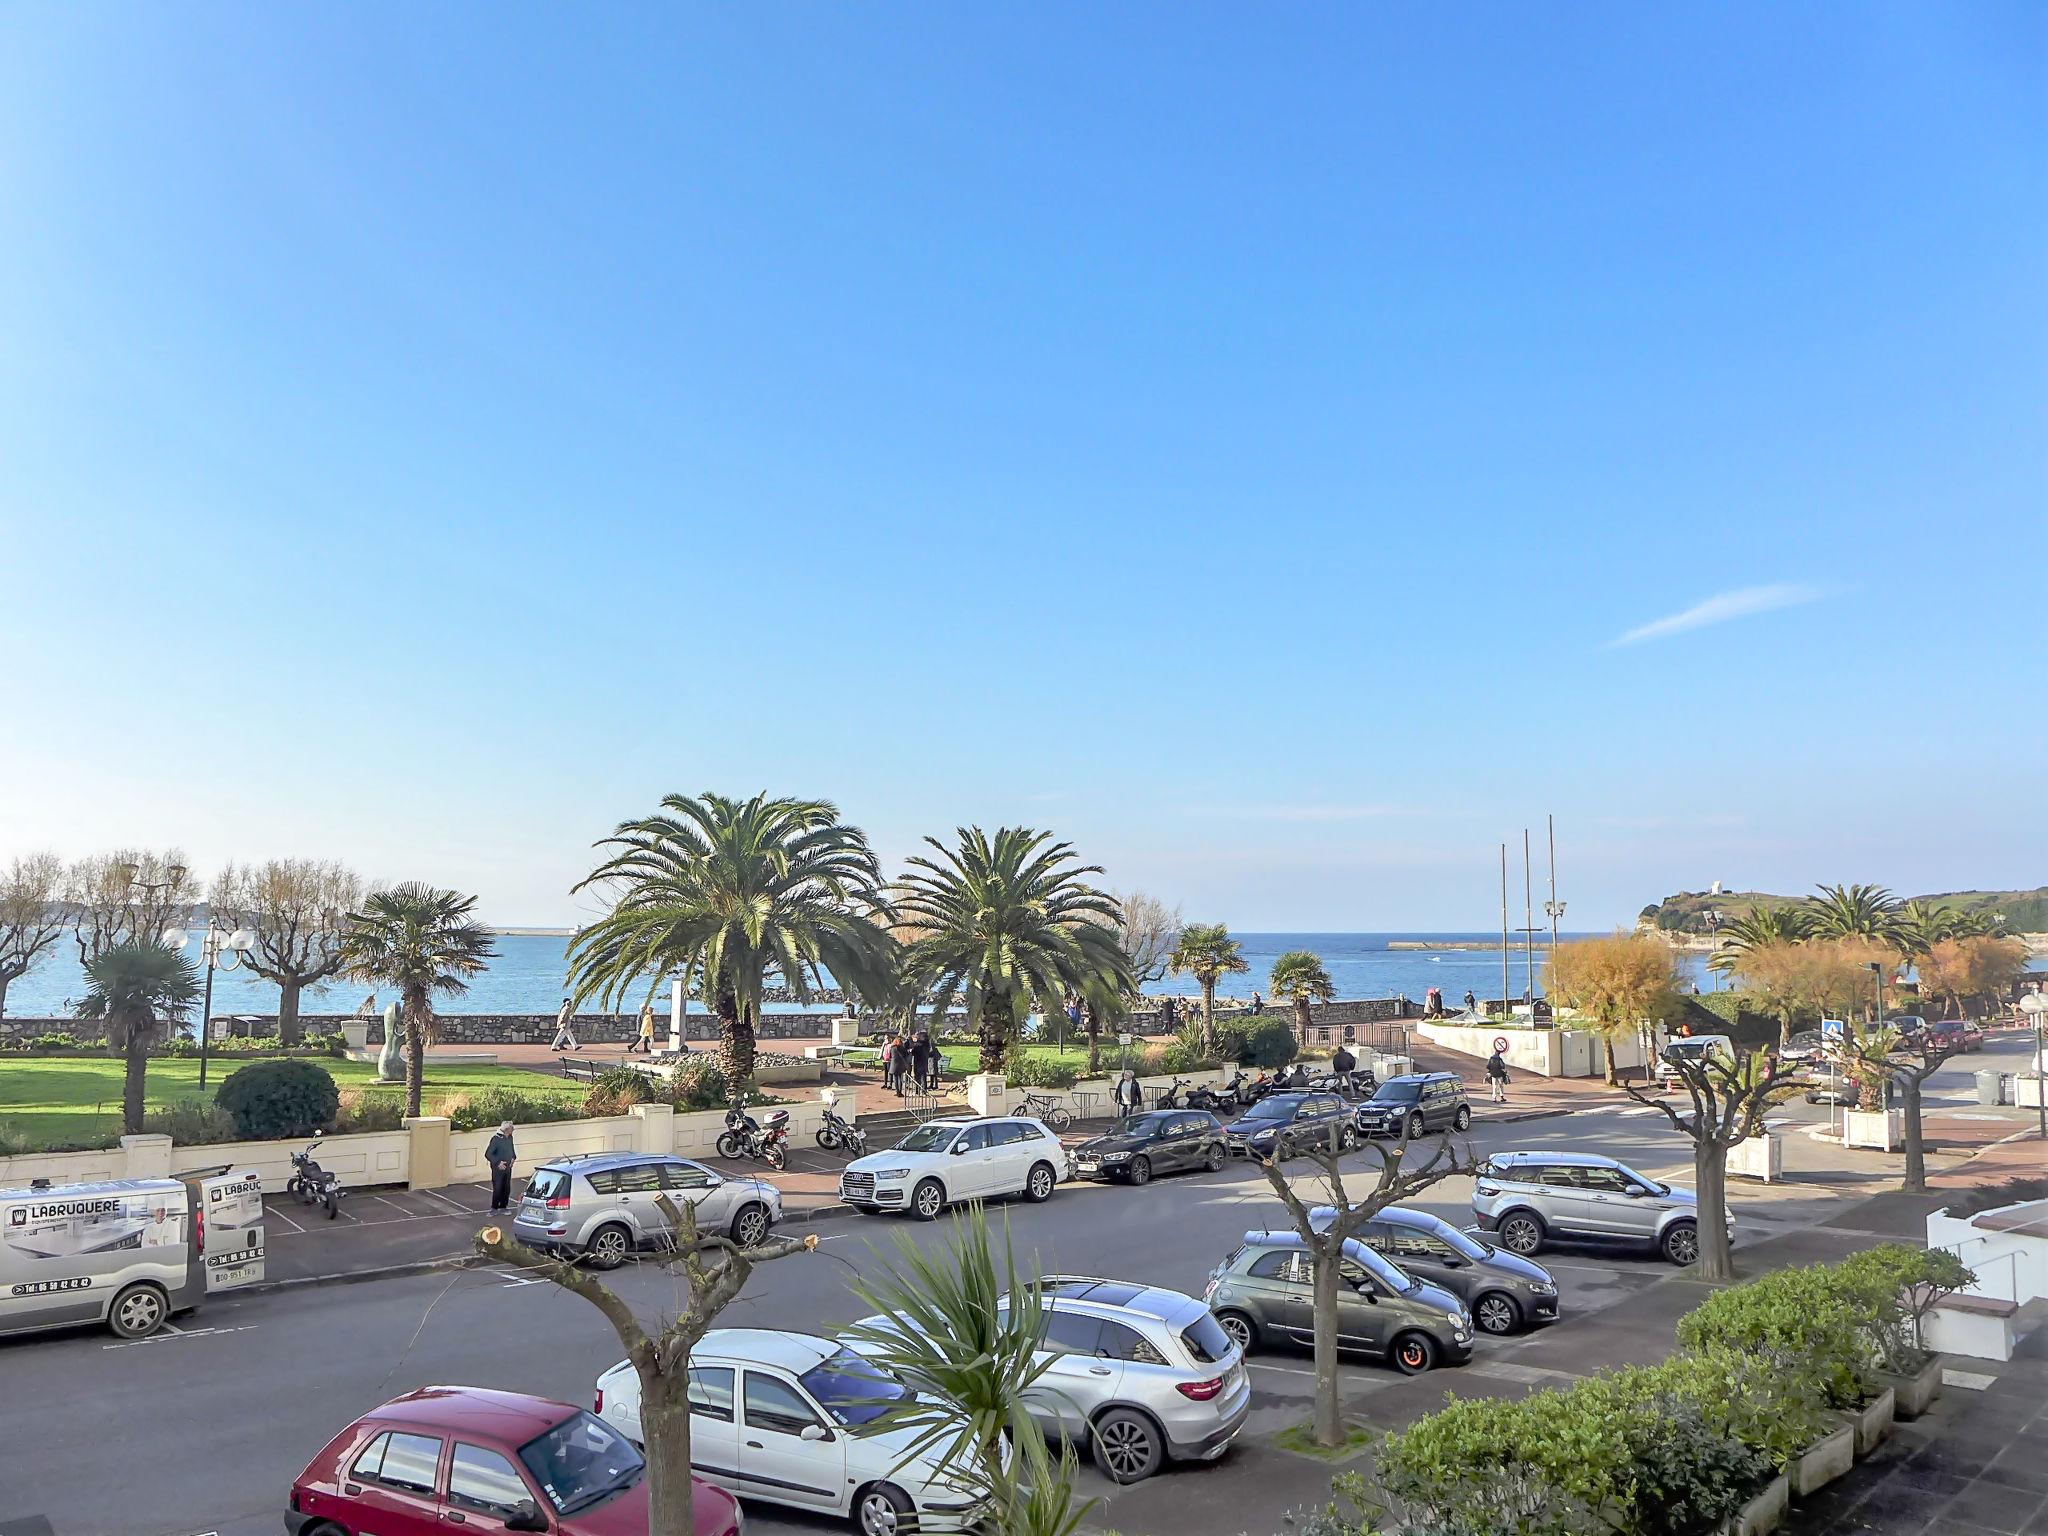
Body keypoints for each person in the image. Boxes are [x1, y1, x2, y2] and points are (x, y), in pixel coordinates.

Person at [485, 1120, 517, 1212]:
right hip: (498, 1169)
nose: (513, 1129)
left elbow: (511, 1148)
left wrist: (513, 1158)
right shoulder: (496, 1139)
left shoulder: (510, 1137)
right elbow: (488, 1154)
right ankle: (494, 1208)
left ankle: (503, 1207)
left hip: (508, 1168)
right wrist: (498, 1163)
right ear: (506, 1129)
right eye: (511, 1128)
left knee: (506, 1189)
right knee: (498, 1188)